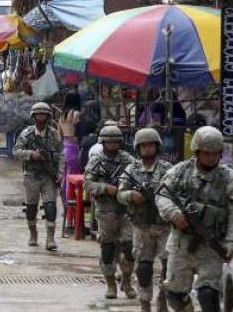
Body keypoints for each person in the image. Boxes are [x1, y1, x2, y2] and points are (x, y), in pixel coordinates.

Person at [157, 126, 233, 312]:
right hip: (181, 243)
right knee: (174, 295)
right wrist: (173, 213)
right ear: (197, 151)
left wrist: (231, 242)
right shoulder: (180, 171)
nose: (211, 157)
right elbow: (161, 195)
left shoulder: (229, 178)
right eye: (206, 153)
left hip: (211, 245)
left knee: (208, 295)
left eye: (215, 153)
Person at [118, 128, 173, 312]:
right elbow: (119, 193)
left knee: (167, 266)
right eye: (143, 145)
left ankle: (163, 298)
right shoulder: (131, 169)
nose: (147, 149)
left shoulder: (167, 169)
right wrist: (131, 195)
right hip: (141, 227)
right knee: (143, 268)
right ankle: (144, 303)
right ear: (138, 148)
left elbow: (177, 192)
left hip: (164, 226)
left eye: (151, 145)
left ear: (157, 147)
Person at [84, 124, 138, 300]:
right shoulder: (96, 161)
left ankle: (128, 281)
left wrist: (127, 190)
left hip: (126, 210)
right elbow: (87, 184)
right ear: (103, 142)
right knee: (107, 249)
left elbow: (138, 177)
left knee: (129, 248)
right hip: (106, 210)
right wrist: (105, 188)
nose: (113, 145)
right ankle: (110, 285)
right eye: (109, 142)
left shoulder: (128, 160)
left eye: (116, 141)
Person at [13, 102, 63, 251]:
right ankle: (33, 234)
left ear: (47, 116)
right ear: (33, 116)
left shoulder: (54, 134)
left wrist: (60, 173)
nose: (41, 117)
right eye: (38, 114)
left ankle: (50, 238)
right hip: (31, 175)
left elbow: (61, 155)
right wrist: (31, 154)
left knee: (50, 207)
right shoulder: (27, 134)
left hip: (49, 176)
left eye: (43, 114)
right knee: (31, 208)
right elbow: (16, 151)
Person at [58, 93, 82, 176]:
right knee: (73, 174)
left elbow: (59, 133)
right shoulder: (76, 113)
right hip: (73, 146)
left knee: (64, 173)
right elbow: (78, 130)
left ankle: (63, 189)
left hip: (64, 145)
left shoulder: (61, 115)